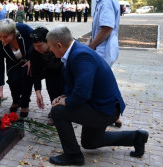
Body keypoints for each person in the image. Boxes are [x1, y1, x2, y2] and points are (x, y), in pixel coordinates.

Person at [46, 26, 149, 166]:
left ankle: (73, 155)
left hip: (104, 110)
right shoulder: (74, 51)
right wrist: (65, 96)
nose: (50, 50)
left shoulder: (80, 55)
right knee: (90, 143)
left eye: (51, 47)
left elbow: (82, 92)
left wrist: (67, 102)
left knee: (58, 111)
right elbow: (79, 83)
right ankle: (136, 137)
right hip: (98, 105)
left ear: (59, 45)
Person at [88, 0, 122, 127]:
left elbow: (107, 27)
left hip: (103, 49)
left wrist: (92, 46)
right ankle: (115, 114)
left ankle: (113, 112)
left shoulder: (107, 0)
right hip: (104, 47)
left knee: (101, 81)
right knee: (105, 79)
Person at [0, 19, 34, 118]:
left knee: (27, 75)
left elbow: (38, 41)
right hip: (13, 63)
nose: (2, 40)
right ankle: (16, 101)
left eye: (5, 37)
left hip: (27, 60)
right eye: (0, 36)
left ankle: (25, 104)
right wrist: (0, 89)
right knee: (13, 79)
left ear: (13, 33)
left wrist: (32, 60)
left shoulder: (24, 30)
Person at [29, 27, 64, 124]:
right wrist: (38, 92)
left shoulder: (58, 46)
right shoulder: (33, 52)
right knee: (51, 88)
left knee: (62, 88)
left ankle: (64, 111)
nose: (37, 48)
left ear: (48, 41)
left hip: (63, 68)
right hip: (48, 70)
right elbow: (35, 73)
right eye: (35, 45)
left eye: (39, 45)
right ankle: (55, 111)